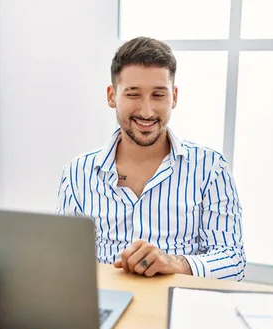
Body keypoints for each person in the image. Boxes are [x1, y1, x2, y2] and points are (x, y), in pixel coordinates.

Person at [56, 36, 245, 280]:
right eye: (133, 95)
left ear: (174, 97)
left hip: (179, 310)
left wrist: (176, 263)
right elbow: (65, 263)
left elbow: (233, 261)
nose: (147, 111)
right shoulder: (77, 173)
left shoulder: (210, 168)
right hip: (105, 310)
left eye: (158, 95)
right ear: (112, 96)